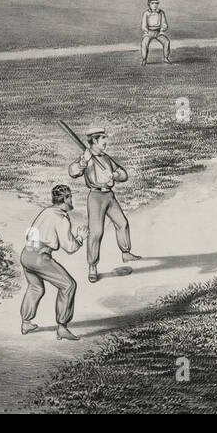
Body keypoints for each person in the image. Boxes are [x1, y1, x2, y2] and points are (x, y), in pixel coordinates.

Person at [67, 127, 141, 284]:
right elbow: (72, 172)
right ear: (94, 140)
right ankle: (92, 266)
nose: (106, 141)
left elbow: (124, 174)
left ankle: (126, 253)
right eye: (103, 138)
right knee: (96, 232)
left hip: (109, 195)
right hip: (96, 197)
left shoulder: (106, 158)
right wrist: (84, 160)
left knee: (122, 223)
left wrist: (114, 175)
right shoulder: (86, 158)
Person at [20, 184, 87, 340]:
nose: (72, 199)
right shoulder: (62, 219)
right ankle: (62, 327)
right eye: (70, 197)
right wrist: (81, 237)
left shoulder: (46, 211)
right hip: (39, 258)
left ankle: (26, 323)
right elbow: (70, 247)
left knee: (35, 287)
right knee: (68, 285)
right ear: (64, 199)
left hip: (26, 254)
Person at [139, 0, 171, 65]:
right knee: (144, 43)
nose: (155, 5)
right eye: (152, 3)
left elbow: (164, 24)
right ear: (149, 4)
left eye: (156, 3)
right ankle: (144, 59)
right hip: (149, 32)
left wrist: (162, 31)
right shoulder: (146, 13)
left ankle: (166, 58)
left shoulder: (161, 12)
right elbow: (144, 25)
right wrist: (146, 32)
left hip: (158, 32)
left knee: (166, 42)